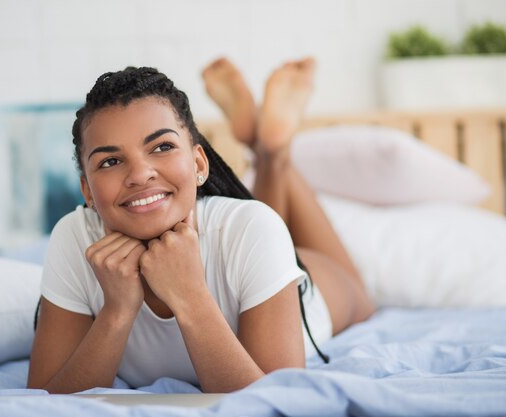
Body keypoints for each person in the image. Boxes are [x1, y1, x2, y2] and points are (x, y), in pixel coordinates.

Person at [27, 57, 375, 394]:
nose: (139, 175)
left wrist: (190, 296)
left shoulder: (252, 229)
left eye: (162, 146)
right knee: (255, 238)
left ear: (198, 163)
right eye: (111, 161)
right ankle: (267, 149)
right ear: (86, 189)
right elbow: (41, 397)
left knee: (361, 296)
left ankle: (271, 153)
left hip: (305, 289)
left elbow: (275, 399)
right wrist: (116, 311)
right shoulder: (75, 239)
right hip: (249, 260)